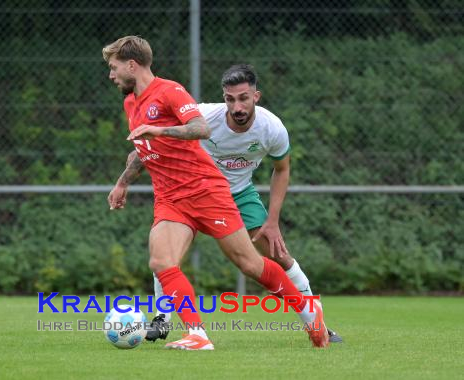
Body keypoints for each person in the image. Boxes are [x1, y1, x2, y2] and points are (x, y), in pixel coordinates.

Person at [103, 36, 329, 350]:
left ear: (132, 65)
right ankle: (197, 334)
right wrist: (123, 182)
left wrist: (160, 129)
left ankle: (309, 312)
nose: (111, 75)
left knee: (251, 264)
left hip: (205, 190)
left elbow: (200, 129)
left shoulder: (169, 91)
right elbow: (142, 149)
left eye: (113, 67)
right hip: (171, 197)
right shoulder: (133, 103)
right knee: (161, 261)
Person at [146, 64, 342, 343]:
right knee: (164, 253)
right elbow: (158, 139)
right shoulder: (203, 117)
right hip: (193, 192)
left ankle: (317, 321)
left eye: (243, 98)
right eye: (230, 99)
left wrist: (272, 221)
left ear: (256, 96)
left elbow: (282, 169)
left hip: (238, 195)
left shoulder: (272, 128)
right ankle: (162, 319)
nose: (236, 106)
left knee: (277, 255)